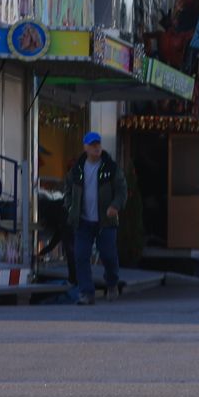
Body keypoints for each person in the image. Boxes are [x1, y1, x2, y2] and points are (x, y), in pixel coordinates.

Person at [63, 131, 126, 306]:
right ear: (85, 148)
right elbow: (67, 190)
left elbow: (122, 190)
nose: (96, 147)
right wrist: (70, 207)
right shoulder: (77, 169)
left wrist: (115, 206)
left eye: (98, 144)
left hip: (105, 222)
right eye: (92, 145)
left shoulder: (110, 168)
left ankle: (112, 283)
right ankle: (86, 293)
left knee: (108, 255)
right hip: (83, 221)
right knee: (81, 255)